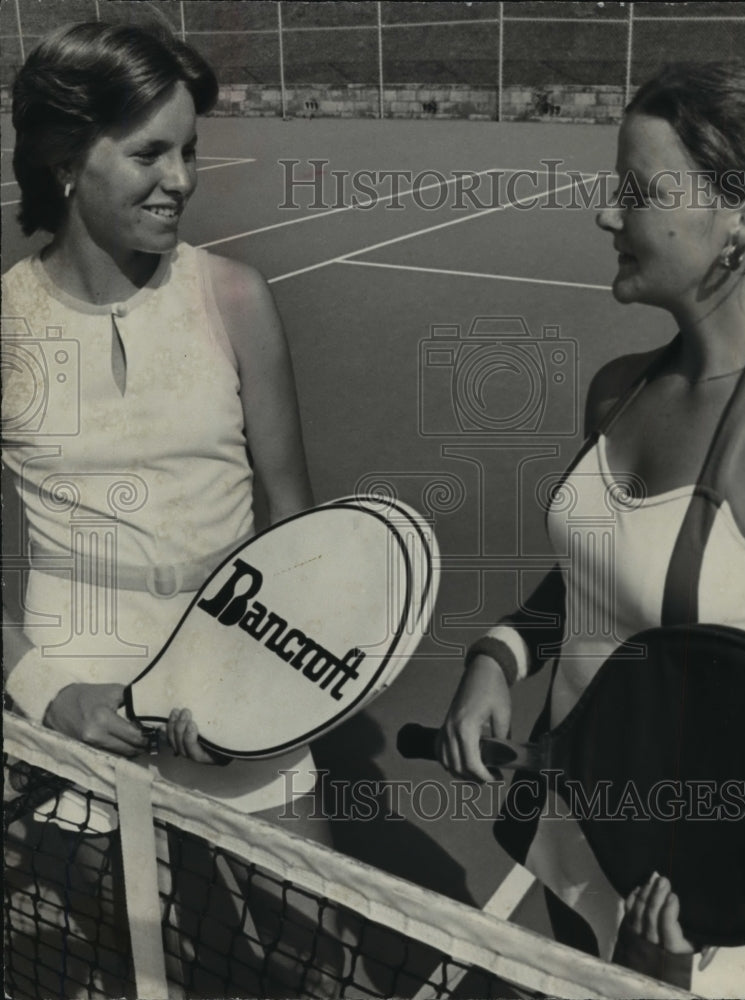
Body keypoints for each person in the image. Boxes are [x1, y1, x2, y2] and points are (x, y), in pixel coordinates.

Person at [438, 61, 745, 997]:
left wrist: (704, 888)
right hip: (588, 819)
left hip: (705, 889)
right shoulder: (619, 389)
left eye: (640, 194)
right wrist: (495, 658)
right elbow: (593, 581)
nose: (609, 216)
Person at [1, 20, 338, 997]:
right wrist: (47, 692)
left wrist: (251, 684)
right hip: (76, 711)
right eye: (149, 151)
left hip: (246, 702)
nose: (181, 179)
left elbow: (294, 529)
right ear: (66, 159)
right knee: (104, 970)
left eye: (187, 150)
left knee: (307, 967)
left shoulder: (235, 298)